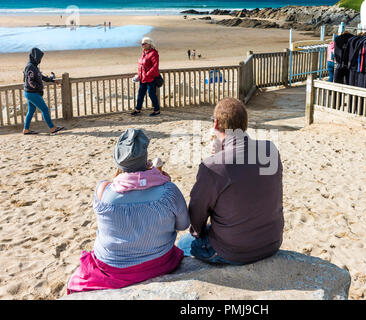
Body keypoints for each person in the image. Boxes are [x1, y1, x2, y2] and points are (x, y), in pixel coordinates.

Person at [67, 128, 190, 294]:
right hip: (159, 262)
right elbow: (183, 225)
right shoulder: (168, 190)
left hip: (112, 267)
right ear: (146, 159)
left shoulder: (103, 192)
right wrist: (159, 178)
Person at [177, 97, 284, 265]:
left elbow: (196, 221)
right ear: (245, 124)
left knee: (183, 243)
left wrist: (215, 160)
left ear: (216, 123)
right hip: (272, 243)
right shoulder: (270, 150)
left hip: (233, 251)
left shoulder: (212, 167)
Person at [23, 48, 64, 135]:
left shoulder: (34, 66)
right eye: (39, 58)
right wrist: (38, 88)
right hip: (32, 93)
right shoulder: (30, 67)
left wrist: (52, 80)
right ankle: (52, 128)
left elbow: (41, 77)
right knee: (45, 109)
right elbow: (30, 81)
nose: (40, 60)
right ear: (35, 57)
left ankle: (26, 129)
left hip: (30, 92)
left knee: (31, 111)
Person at [131, 37, 161, 117]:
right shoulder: (144, 53)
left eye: (144, 43)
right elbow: (141, 66)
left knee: (151, 94)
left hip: (150, 79)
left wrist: (147, 74)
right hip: (142, 78)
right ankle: (137, 109)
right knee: (140, 94)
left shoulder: (154, 53)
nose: (142, 45)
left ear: (149, 44)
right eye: (142, 44)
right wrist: (139, 75)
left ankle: (157, 110)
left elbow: (155, 66)